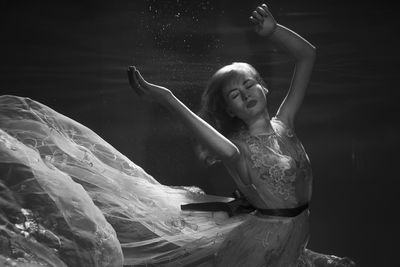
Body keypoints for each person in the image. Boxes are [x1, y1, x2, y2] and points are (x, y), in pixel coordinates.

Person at [127, 3, 356, 267]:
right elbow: (210, 138)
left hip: (294, 241)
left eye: (249, 85)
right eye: (235, 95)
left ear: (264, 88)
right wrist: (168, 99)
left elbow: (307, 55)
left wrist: (274, 31)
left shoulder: (286, 122)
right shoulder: (239, 151)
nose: (246, 94)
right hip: (263, 251)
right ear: (230, 110)